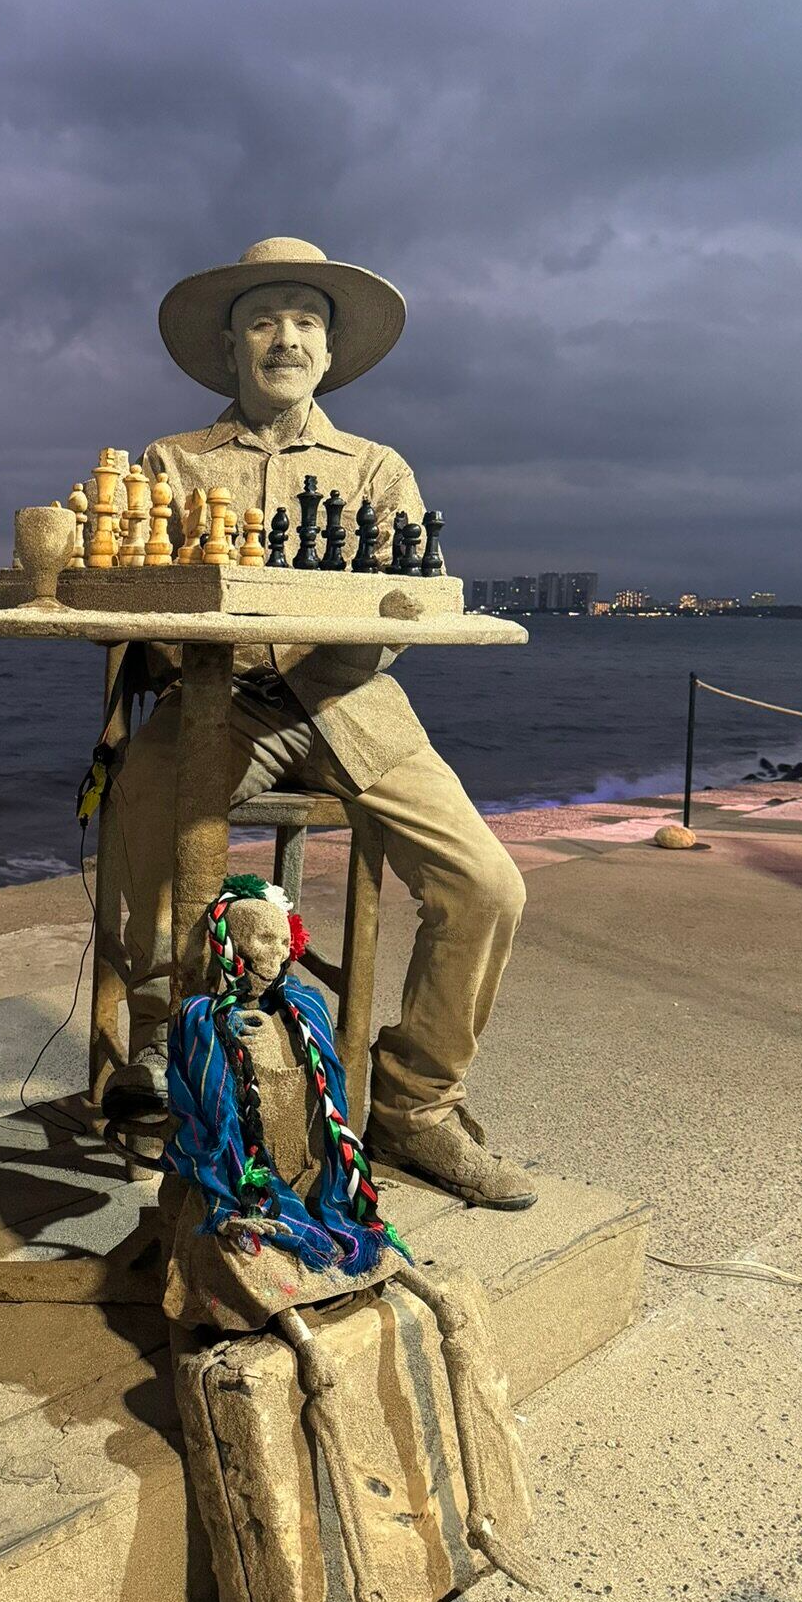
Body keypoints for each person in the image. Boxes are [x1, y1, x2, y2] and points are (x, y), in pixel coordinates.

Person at [102, 235, 535, 1210]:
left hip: (355, 705)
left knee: (489, 885)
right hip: (216, 708)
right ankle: (166, 1055)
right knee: (137, 822)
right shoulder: (172, 464)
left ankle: (417, 1104)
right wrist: (177, 645)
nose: (285, 337)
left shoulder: (378, 470)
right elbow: (137, 612)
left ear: (331, 352)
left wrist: (325, 634)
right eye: (263, 318)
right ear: (229, 346)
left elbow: (405, 612)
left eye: (305, 320)